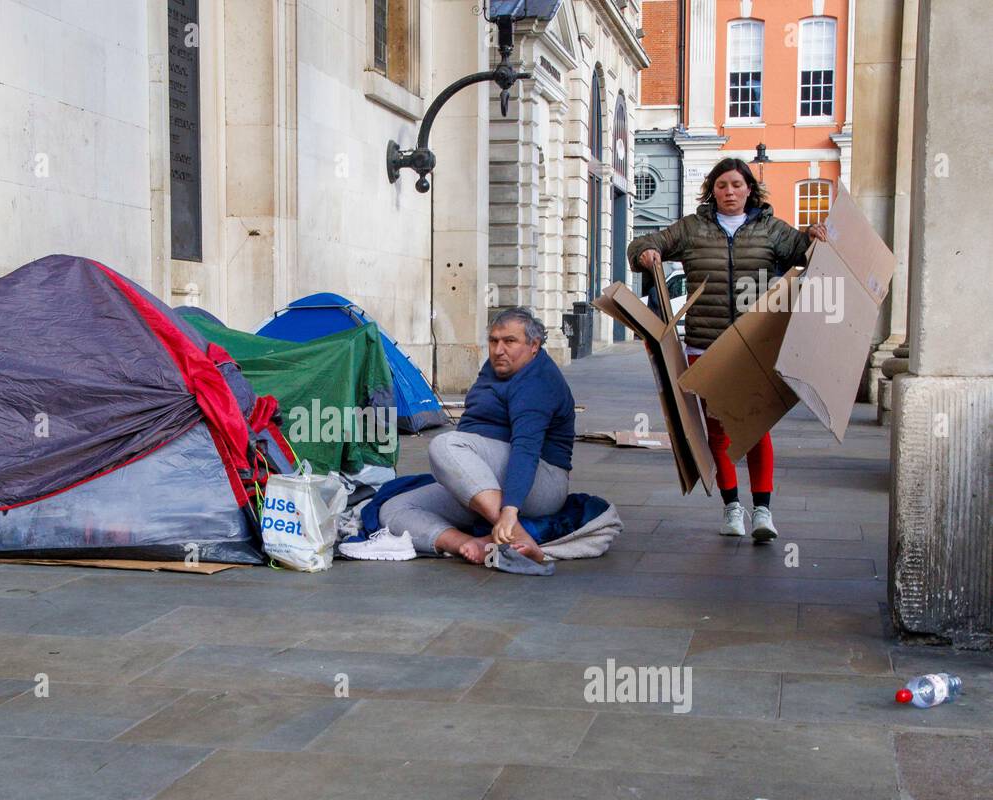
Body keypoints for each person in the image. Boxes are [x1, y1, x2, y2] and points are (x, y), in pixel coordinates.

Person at [626, 158, 828, 542]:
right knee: (718, 432)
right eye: (722, 186)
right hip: (705, 345)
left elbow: (806, 251)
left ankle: (763, 511)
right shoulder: (692, 228)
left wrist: (816, 234)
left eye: (737, 185)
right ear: (712, 190)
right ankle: (732, 508)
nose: (730, 192)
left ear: (749, 188)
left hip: (754, 347)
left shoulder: (770, 229)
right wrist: (647, 254)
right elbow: (645, 242)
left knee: (755, 429)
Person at [343, 307, 575, 563]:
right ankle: (469, 544)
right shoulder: (497, 366)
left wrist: (509, 512)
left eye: (510, 341)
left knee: (445, 444)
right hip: (490, 477)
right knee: (394, 509)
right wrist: (459, 478)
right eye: (493, 341)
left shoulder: (537, 381)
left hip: (540, 483)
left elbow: (526, 450)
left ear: (534, 345)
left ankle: (515, 534)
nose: (498, 350)